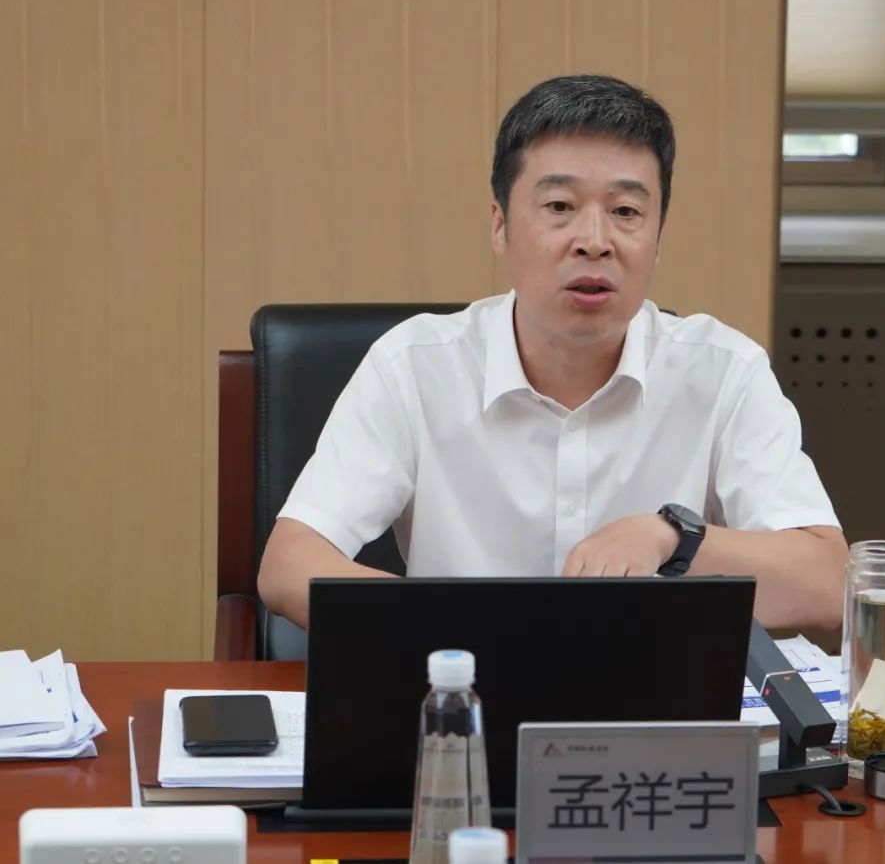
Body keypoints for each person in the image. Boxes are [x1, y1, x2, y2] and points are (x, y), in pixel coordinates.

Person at [258, 74, 847, 630]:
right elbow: (289, 563)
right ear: (500, 225)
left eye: (625, 212)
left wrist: (674, 538)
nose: (594, 242)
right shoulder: (413, 367)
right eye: (560, 207)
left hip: (655, 696)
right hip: (465, 693)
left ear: (658, 238)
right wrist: (460, 630)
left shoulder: (724, 372)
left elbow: (828, 583)